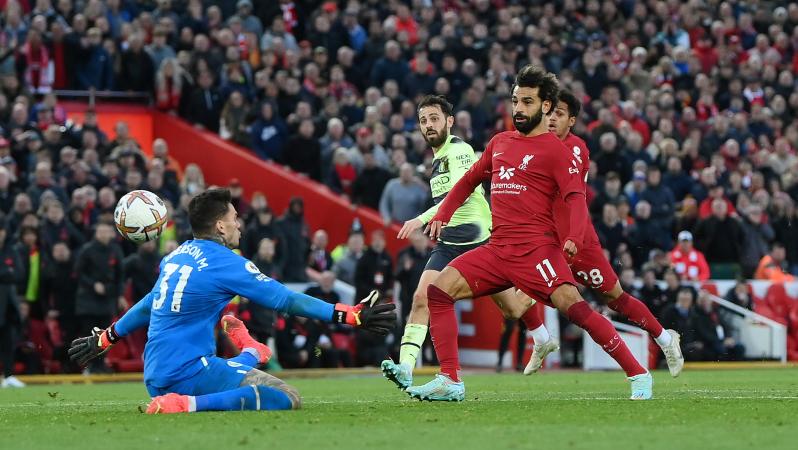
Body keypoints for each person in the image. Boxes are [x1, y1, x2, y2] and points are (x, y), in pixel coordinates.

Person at [408, 66, 653, 401]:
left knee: (576, 310)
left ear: (546, 106)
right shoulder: (499, 143)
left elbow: (576, 199)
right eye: (514, 101)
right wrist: (445, 213)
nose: (518, 109)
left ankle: (638, 374)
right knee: (438, 292)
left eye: (527, 101)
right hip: (497, 250)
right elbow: (468, 180)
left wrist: (575, 238)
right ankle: (451, 380)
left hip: (536, 252)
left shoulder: (555, 151)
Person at [68, 189, 396, 413]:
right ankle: (186, 405)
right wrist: (347, 315)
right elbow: (283, 299)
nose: (239, 224)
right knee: (286, 397)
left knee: (243, 360)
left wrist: (107, 337)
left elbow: (149, 302)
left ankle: (253, 351)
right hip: (188, 374)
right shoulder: (225, 262)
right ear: (220, 225)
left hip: (155, 373)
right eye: (235, 217)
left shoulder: (176, 256)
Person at [382, 94, 554, 391]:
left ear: (449, 121)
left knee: (512, 310)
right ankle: (406, 368)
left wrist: (421, 219)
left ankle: (541, 324)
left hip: (479, 240)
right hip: (449, 243)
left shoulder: (459, 150)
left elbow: (459, 191)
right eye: (423, 121)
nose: (428, 125)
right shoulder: (436, 158)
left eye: (434, 119)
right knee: (422, 297)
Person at [539, 90, 683, 377]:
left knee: (614, 298)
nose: (552, 118)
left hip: (579, 241)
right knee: (516, 286)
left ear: (572, 121)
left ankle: (665, 339)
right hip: (548, 241)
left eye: (559, 114)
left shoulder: (575, 148)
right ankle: (539, 338)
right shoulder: (534, 146)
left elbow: (573, 194)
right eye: (549, 112)